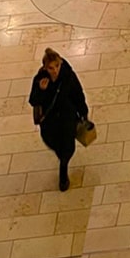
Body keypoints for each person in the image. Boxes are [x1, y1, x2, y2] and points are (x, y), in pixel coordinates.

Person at [28, 48, 90, 191]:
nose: (55, 70)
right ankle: (62, 159)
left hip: (67, 118)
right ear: (45, 67)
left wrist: (83, 112)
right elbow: (33, 100)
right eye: (51, 68)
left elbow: (77, 94)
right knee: (56, 145)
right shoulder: (40, 80)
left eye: (57, 66)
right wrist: (42, 91)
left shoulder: (68, 77)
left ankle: (63, 171)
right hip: (50, 123)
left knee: (68, 148)